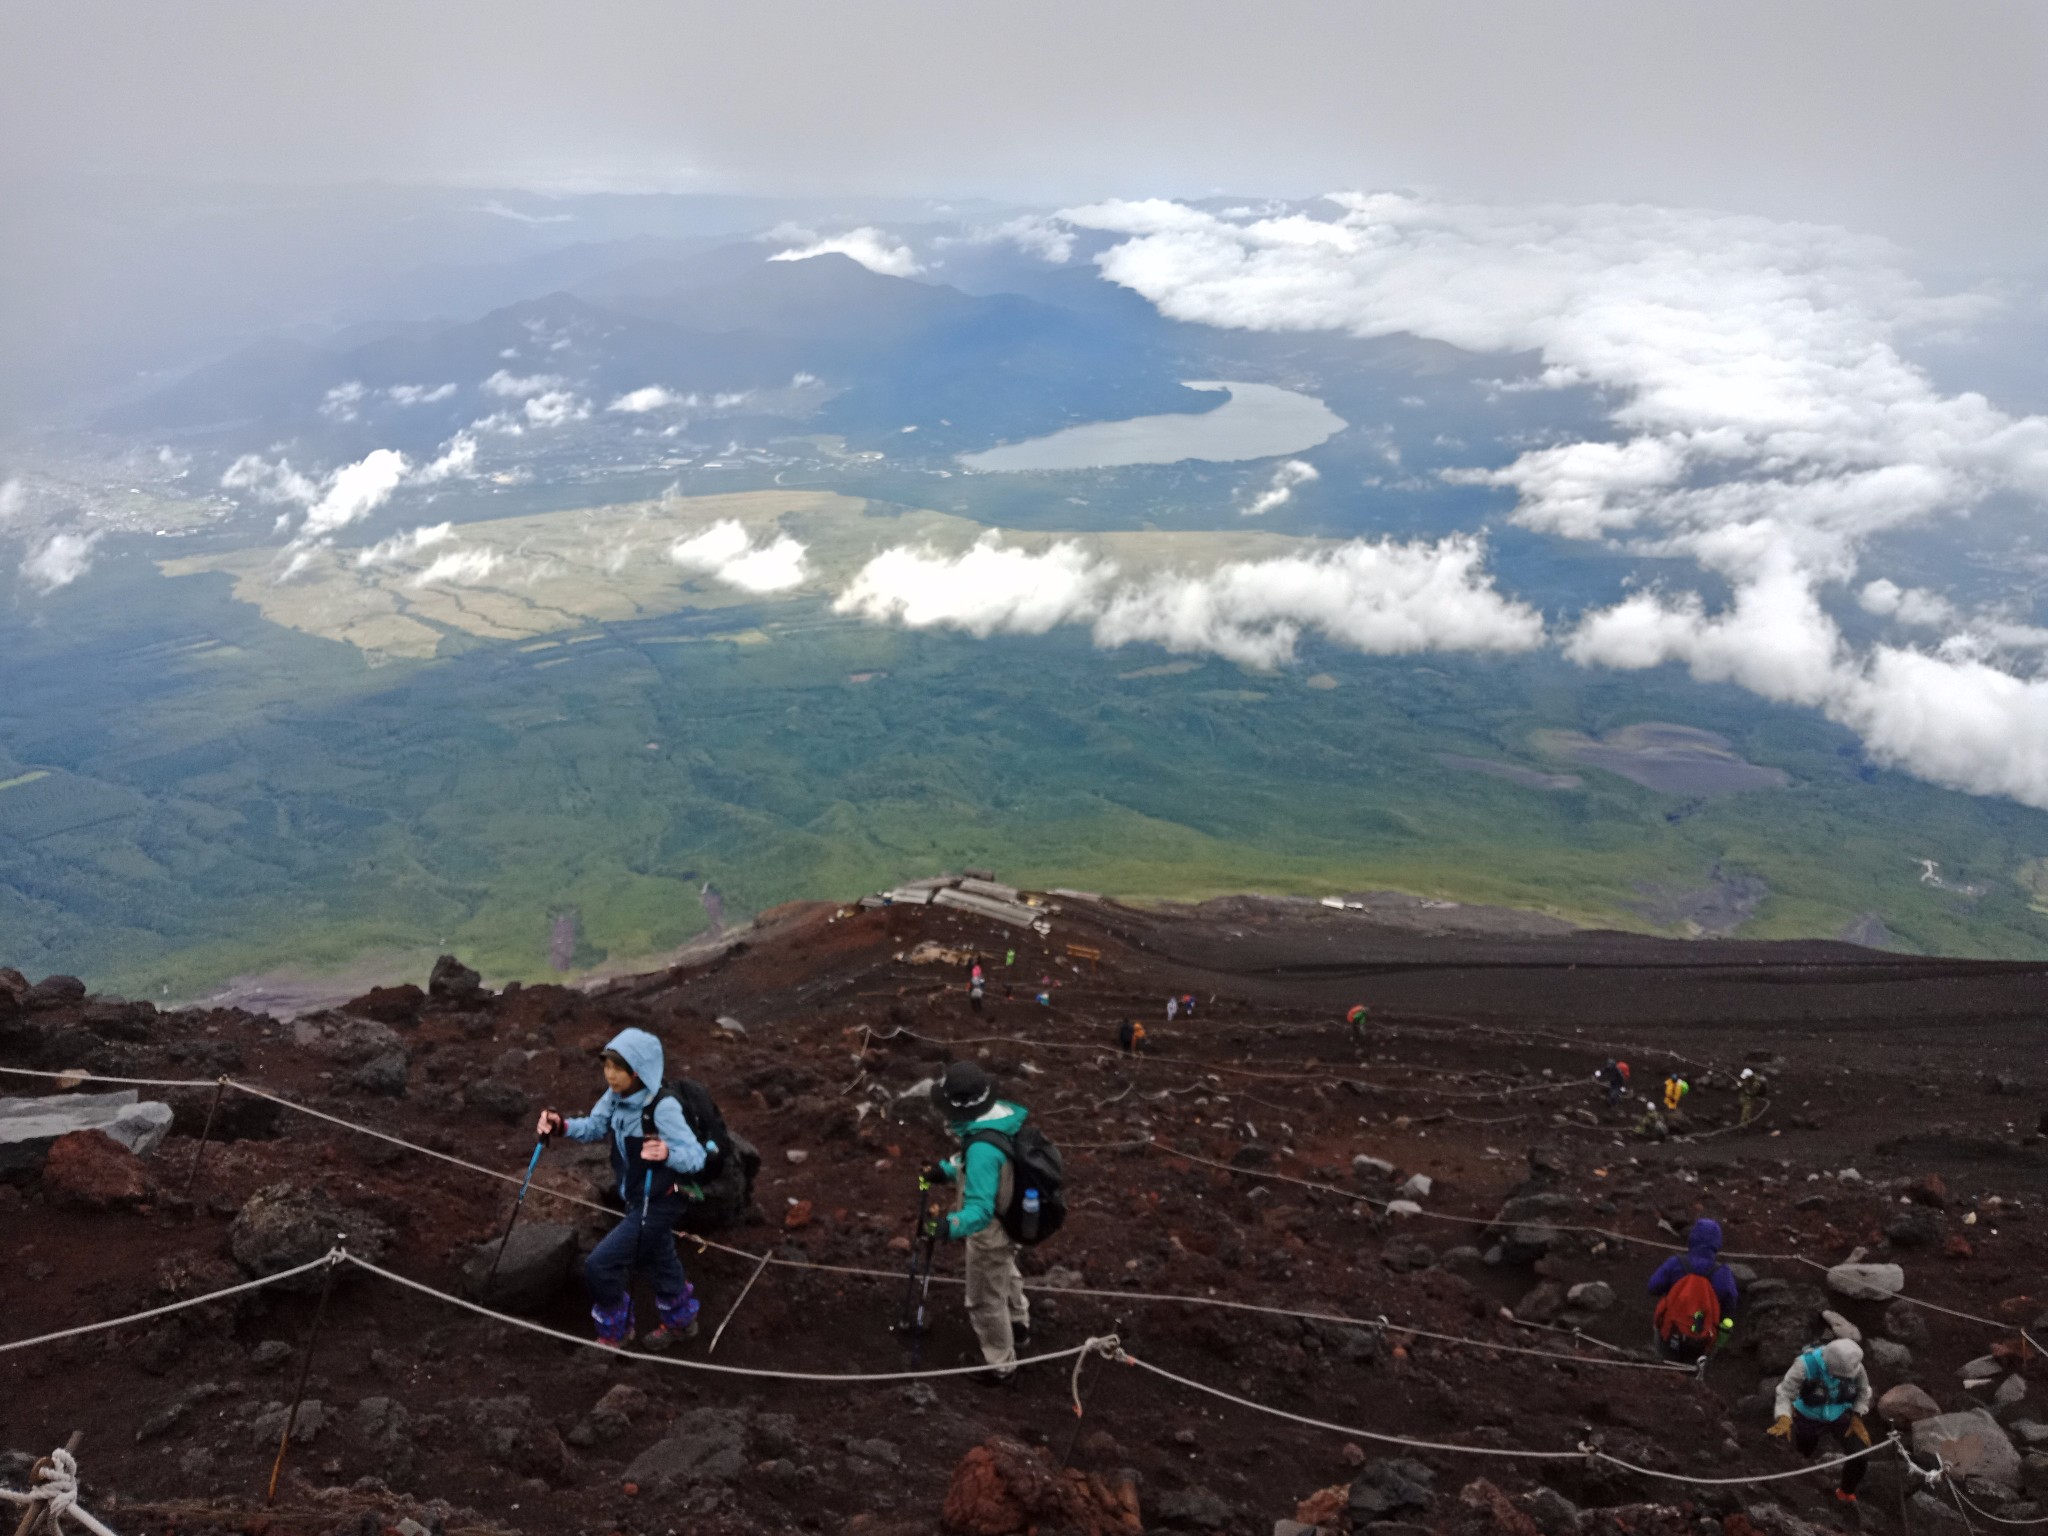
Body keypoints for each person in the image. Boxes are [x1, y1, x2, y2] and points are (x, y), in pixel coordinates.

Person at [537, 1028, 708, 1351]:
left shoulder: (663, 1108)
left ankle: (615, 1334)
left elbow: (696, 1158)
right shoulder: (614, 1098)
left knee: (600, 1265)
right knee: (659, 1258)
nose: (610, 1075)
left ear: (639, 1071)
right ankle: (682, 1323)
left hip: (661, 1200)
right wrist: (562, 1125)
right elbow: (594, 1127)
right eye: (607, 1066)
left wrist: (668, 1153)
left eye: (618, 1068)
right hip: (635, 1198)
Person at [925, 1061, 1032, 1384]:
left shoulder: (983, 1148)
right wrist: (945, 1169)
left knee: (984, 1298)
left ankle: (1000, 1366)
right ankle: (1018, 1324)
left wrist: (948, 1226)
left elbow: (980, 1210)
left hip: (992, 1231)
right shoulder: (1000, 1119)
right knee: (1006, 1272)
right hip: (1012, 1217)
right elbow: (978, 1157)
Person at [1769, 1338, 1874, 1505]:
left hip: (1839, 1414)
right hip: (1808, 1415)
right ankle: (1802, 1488)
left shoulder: (1854, 1366)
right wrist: (1783, 1417)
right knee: (1803, 1453)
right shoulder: (1805, 1364)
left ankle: (1846, 1493)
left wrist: (1857, 1416)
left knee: (1860, 1455)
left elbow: (1863, 1391)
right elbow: (1785, 1392)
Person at [1646, 1217, 1739, 1362]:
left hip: (1670, 1336)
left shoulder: (1676, 1263)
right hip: (1701, 1343)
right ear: (1717, 1244)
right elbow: (1730, 1307)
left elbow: (1652, 1287)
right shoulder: (1723, 1273)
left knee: (1662, 1360)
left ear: (1692, 1238)